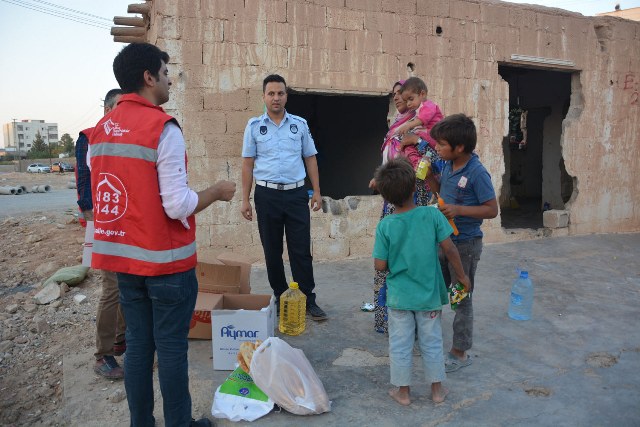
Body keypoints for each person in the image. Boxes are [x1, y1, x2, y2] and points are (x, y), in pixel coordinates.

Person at [89, 43, 235, 427]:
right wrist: (216, 193)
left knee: (137, 345)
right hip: (166, 264)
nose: (170, 79)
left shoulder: (100, 130)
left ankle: (142, 423)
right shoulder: (162, 128)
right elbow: (177, 205)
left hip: (124, 262)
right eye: (166, 72)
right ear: (149, 78)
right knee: (170, 350)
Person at [372, 157, 470, 406]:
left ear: (386, 197)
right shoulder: (432, 216)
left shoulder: (385, 225)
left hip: (399, 297)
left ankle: (403, 393)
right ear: (415, 189)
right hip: (428, 297)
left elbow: (380, 265)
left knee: (401, 344)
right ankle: (437, 391)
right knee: (432, 342)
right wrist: (462, 276)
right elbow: (450, 250)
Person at [240, 74, 327, 321]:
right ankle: (280, 297)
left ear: (286, 95)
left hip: (297, 194)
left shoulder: (299, 125)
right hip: (266, 195)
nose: (276, 98)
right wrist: (245, 199)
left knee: (301, 250)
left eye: (280, 93)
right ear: (264, 96)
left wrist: (317, 191)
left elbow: (310, 158)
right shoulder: (254, 126)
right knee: (272, 250)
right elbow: (248, 164)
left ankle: (308, 300)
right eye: (271, 93)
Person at [425, 113, 498, 373]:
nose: (437, 148)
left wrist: (459, 210)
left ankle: (459, 352)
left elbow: (491, 210)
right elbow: (441, 191)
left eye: (442, 144)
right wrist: (428, 179)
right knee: (434, 290)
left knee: (461, 298)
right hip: (443, 241)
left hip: (465, 245)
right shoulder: (447, 165)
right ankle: (427, 339)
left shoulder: (477, 172)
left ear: (459, 148)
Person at [368, 80, 442, 334]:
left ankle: (414, 320)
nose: (399, 99)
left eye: (403, 95)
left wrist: (415, 141)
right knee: (390, 253)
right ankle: (386, 319)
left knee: (413, 255)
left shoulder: (425, 121)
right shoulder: (399, 125)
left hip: (416, 193)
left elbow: (433, 152)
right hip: (395, 195)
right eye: (395, 95)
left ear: (418, 97)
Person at [75, 88, 126, 380]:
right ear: (108, 109)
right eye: (118, 107)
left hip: (126, 222)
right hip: (104, 222)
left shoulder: (126, 134)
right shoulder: (90, 136)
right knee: (112, 287)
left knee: (127, 284)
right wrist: (91, 216)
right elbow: (84, 178)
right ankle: (103, 355)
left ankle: (121, 339)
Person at [394, 77, 444, 152]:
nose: (408, 104)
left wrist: (408, 125)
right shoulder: (418, 109)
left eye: (411, 99)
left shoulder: (429, 105)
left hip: (433, 136)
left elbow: (421, 120)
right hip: (427, 136)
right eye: (406, 101)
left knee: (411, 137)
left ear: (422, 94)